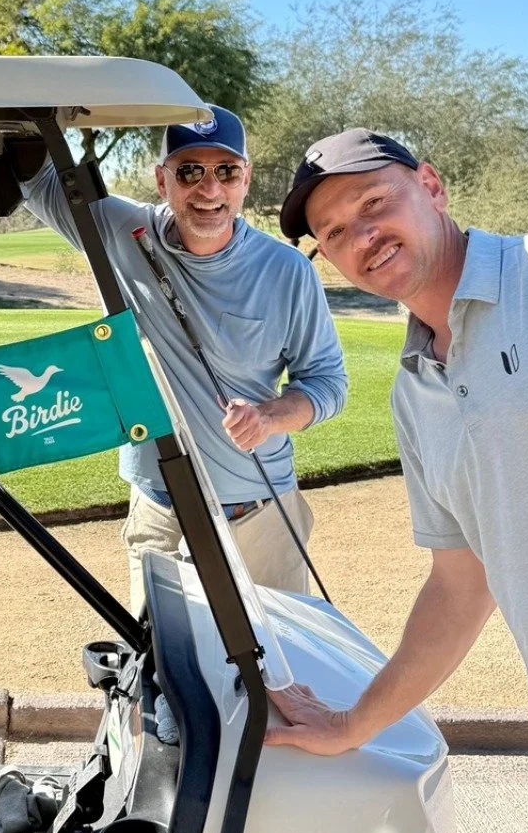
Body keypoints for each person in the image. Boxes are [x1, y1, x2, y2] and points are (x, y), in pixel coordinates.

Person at [270, 126, 528, 833]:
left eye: (374, 204)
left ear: (434, 185)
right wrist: (355, 723)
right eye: (335, 233)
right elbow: (460, 585)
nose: (361, 237)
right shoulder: (416, 392)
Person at [17, 106, 347, 611]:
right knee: (163, 670)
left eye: (226, 171)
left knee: (283, 677)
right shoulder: (117, 230)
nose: (208, 190)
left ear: (245, 179)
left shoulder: (286, 272)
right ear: (162, 179)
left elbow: (327, 383)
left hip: (260, 511)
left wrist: (270, 416)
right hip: (160, 505)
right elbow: (31, 175)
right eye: (189, 171)